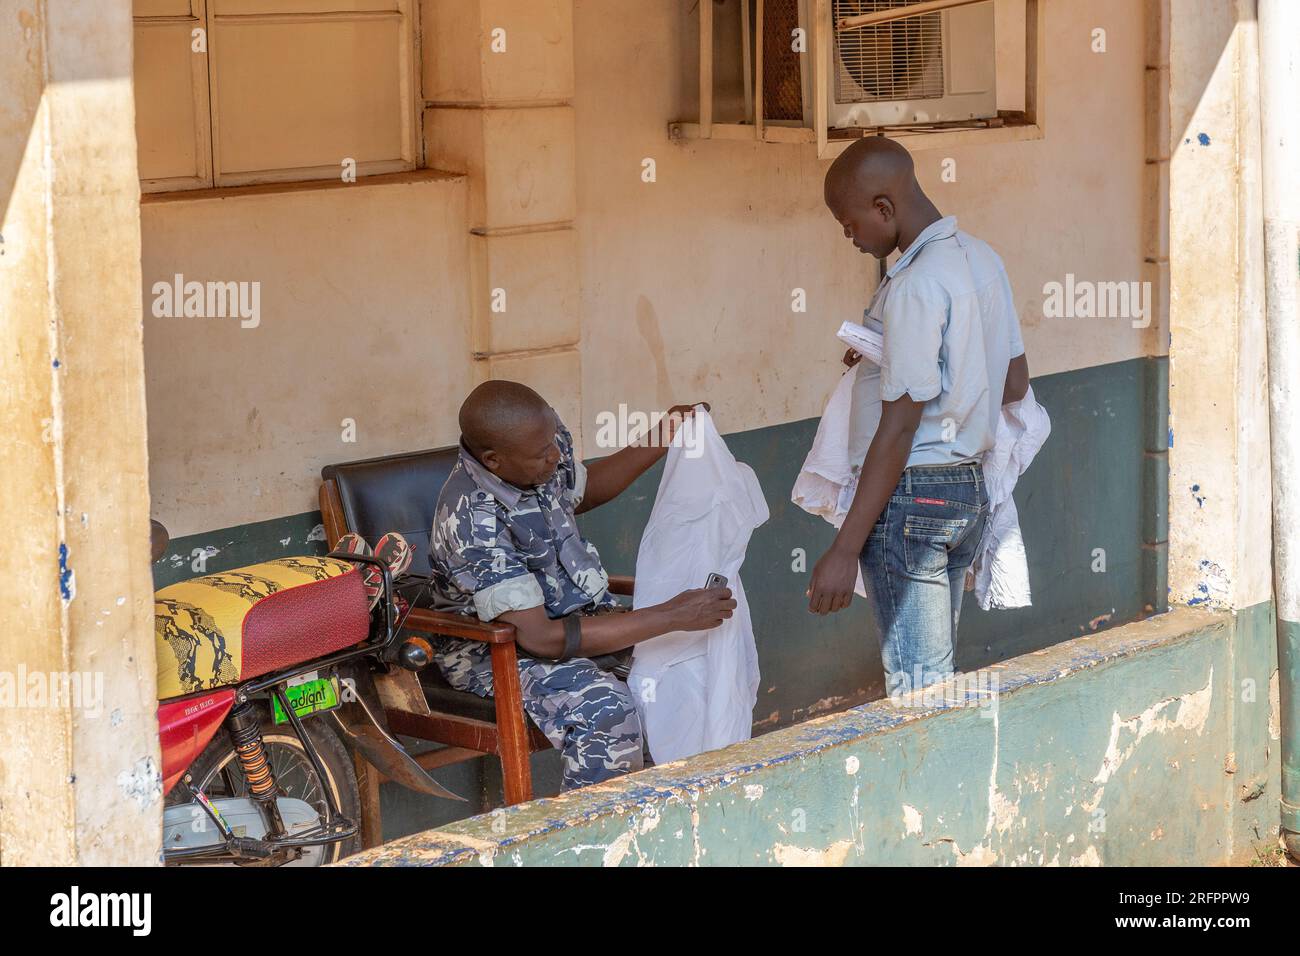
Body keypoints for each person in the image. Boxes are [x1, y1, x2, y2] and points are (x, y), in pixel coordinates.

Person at [428, 380, 736, 789]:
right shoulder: (472, 522)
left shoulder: (536, 449)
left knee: (689, 661)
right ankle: (590, 841)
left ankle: (665, 814)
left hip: (578, 619)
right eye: (543, 454)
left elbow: (582, 491)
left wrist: (667, 431)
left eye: (554, 441)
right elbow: (541, 639)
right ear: (494, 460)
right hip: (497, 650)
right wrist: (670, 614)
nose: (557, 456)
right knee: (606, 713)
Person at [808, 137, 1030, 696]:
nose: (848, 235)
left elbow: (901, 427)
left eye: (848, 222)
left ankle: (938, 785)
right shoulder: (982, 257)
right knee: (936, 683)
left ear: (882, 208)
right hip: (965, 496)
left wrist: (844, 549)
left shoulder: (913, 284)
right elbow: (1014, 381)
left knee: (920, 697)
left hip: (913, 503)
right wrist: (894, 351)